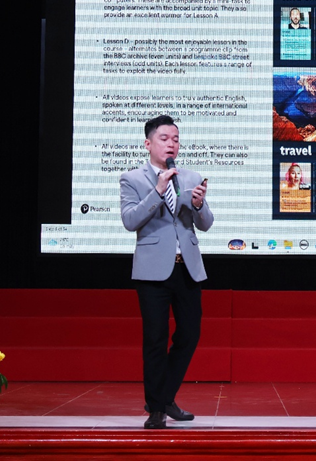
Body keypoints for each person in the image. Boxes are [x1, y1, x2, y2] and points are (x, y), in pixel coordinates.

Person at [119, 115, 213, 430]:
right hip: (152, 271)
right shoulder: (132, 179)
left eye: (175, 138)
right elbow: (130, 221)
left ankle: (164, 396)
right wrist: (158, 191)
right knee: (155, 340)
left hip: (187, 268)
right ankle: (157, 409)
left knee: (190, 334)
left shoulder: (191, 177)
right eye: (164, 138)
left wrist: (199, 205)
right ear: (148, 143)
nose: (171, 144)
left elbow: (206, 223)